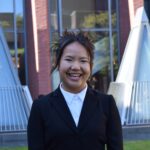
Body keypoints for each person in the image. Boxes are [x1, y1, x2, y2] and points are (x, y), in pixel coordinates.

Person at [27, 31, 123, 150]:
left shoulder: (106, 104)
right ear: (58, 63)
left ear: (90, 66)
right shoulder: (40, 107)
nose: (76, 67)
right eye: (69, 59)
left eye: (83, 61)